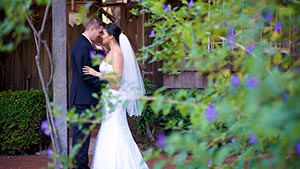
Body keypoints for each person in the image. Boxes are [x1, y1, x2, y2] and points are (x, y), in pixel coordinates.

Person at [82, 23, 149, 169]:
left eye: (104, 33)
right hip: (109, 96)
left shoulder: (118, 52)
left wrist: (96, 73)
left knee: (116, 130)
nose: (101, 36)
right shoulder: (110, 52)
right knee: (108, 129)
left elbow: (117, 78)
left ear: (112, 36)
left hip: (116, 97)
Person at [70, 17, 107, 169]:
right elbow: (85, 75)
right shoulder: (83, 46)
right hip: (82, 98)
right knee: (81, 137)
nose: (99, 35)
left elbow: (90, 70)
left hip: (84, 98)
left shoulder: (86, 44)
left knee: (83, 136)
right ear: (92, 29)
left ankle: (81, 165)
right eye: (99, 32)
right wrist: (106, 84)